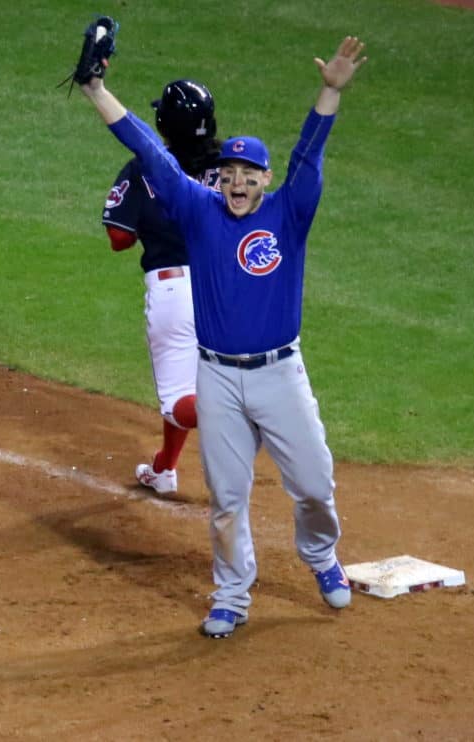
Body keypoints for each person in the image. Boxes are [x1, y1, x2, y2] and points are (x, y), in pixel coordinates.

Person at [82, 35, 368, 638]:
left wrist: (330, 93)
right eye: (230, 174)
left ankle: (321, 557)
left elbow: (310, 152)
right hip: (216, 377)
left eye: (248, 175)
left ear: (265, 179)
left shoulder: (290, 212)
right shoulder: (198, 209)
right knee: (227, 499)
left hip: (280, 374)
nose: (238, 184)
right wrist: (96, 90)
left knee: (314, 485)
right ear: (221, 179)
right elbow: (146, 146)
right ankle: (232, 595)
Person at [101, 79, 221, 496]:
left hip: (174, 293)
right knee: (200, 380)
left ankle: (247, 411)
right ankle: (165, 468)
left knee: (179, 404)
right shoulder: (234, 165)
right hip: (225, 290)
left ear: (164, 126)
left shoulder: (147, 168)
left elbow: (119, 238)